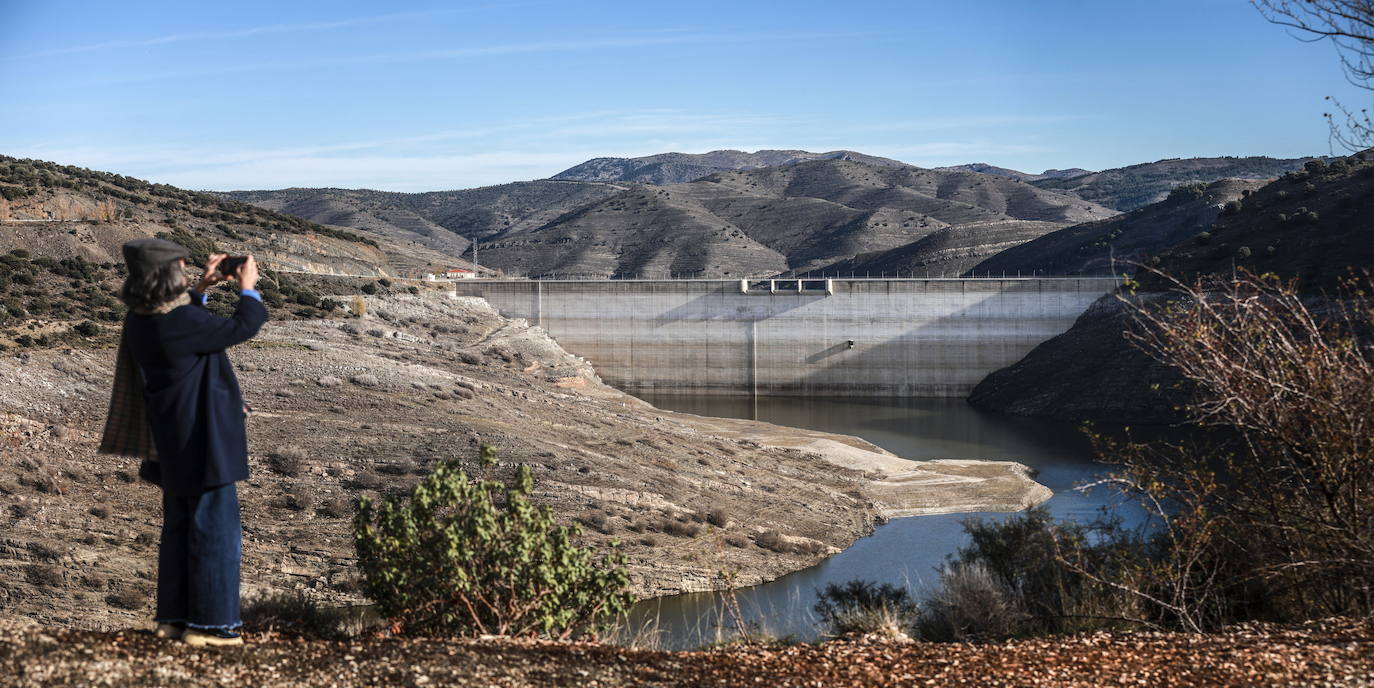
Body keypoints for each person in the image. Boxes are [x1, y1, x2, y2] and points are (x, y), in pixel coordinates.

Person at [100, 238, 267, 647]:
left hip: (170, 441)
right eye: (183, 268)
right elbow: (243, 326)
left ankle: (173, 620)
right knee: (216, 531)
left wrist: (203, 290)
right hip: (203, 440)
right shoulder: (181, 323)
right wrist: (248, 287)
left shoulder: (142, 319)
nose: (189, 273)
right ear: (168, 273)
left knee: (178, 528)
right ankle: (212, 628)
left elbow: (188, 322)